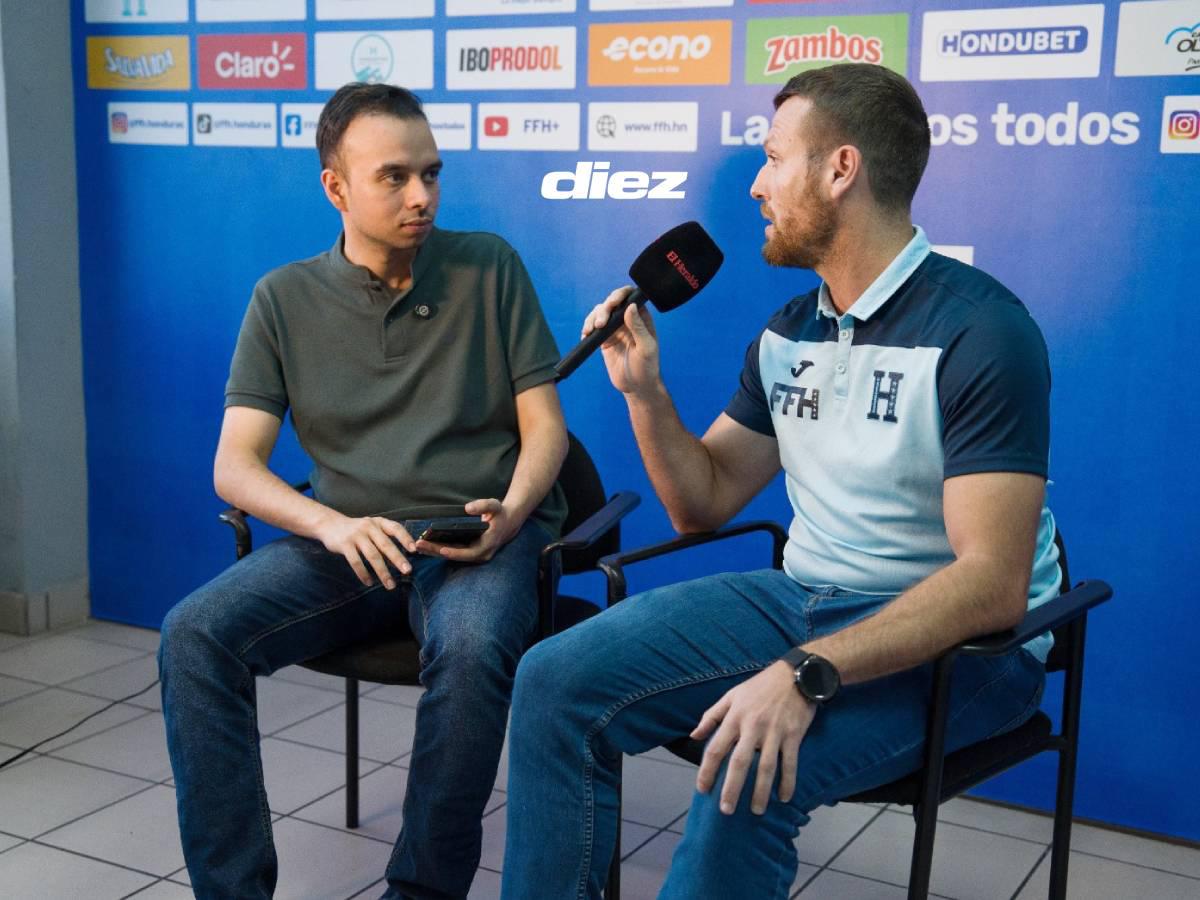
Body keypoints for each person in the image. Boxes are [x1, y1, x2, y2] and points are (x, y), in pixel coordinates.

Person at [500, 63, 1061, 898]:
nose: (756, 185)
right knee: (552, 680)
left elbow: (990, 587)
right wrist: (645, 395)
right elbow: (704, 501)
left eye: (772, 158)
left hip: (968, 647)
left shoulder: (982, 330)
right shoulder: (789, 330)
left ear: (840, 170)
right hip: (804, 598)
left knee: (748, 779)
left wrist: (806, 670)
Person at [158, 83, 568, 900]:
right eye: (393, 177)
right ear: (335, 188)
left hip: (474, 534)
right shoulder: (283, 299)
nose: (421, 196)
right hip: (347, 540)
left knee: (474, 645)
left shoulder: (489, 266)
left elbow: (546, 430)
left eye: (431, 174)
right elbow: (234, 466)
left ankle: (419, 892)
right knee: (193, 636)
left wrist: (511, 516)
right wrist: (332, 526)